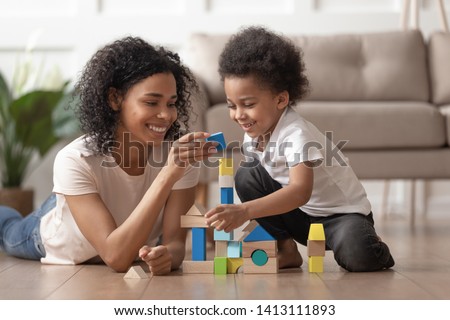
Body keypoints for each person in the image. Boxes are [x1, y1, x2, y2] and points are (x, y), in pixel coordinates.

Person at [0, 36, 218, 274]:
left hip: (101, 205)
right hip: (58, 233)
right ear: (115, 99)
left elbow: (175, 243)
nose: (166, 115)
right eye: (151, 102)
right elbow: (117, 257)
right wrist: (167, 175)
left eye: (171, 103)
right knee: (8, 228)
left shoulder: (179, 155)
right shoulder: (75, 158)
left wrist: (168, 256)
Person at [205, 26, 395, 272]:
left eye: (248, 104)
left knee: (358, 256)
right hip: (298, 217)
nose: (238, 115)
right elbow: (266, 187)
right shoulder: (254, 132)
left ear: (281, 100)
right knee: (247, 174)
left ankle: (374, 246)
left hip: (340, 217)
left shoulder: (297, 134)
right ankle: (286, 250)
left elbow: (299, 191)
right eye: (232, 105)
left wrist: (243, 211)